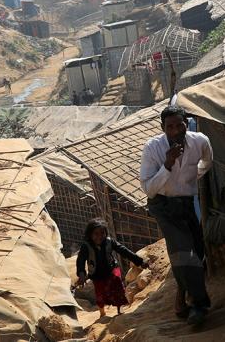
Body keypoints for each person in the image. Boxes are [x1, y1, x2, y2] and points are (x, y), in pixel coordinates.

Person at [140, 105, 213, 326]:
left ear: (186, 123)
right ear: (162, 128)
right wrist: (168, 165)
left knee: (197, 252)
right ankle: (199, 305)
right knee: (184, 253)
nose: (175, 130)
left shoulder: (200, 141)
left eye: (179, 124)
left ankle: (180, 297)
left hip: (185, 203)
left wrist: (190, 182)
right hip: (162, 205)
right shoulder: (152, 149)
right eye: (169, 127)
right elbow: (148, 188)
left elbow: (207, 163)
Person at [75, 218, 147, 318]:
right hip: (97, 274)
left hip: (111, 269)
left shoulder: (109, 242)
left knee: (118, 287)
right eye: (96, 234)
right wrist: (81, 275)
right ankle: (102, 312)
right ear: (90, 234)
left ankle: (120, 309)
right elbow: (81, 261)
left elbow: (124, 251)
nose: (99, 236)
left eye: (102, 233)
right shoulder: (86, 246)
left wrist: (139, 261)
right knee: (100, 293)